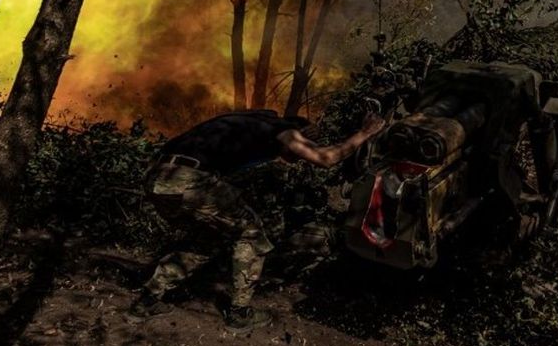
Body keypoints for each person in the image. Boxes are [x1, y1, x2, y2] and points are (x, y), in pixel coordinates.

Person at [129, 109, 386, 332]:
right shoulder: (283, 129)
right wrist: (364, 133)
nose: (298, 157)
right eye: (302, 147)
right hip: (188, 178)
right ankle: (239, 314)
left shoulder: (253, 121)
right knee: (250, 232)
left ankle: (148, 300)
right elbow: (325, 159)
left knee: (208, 238)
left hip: (157, 178)